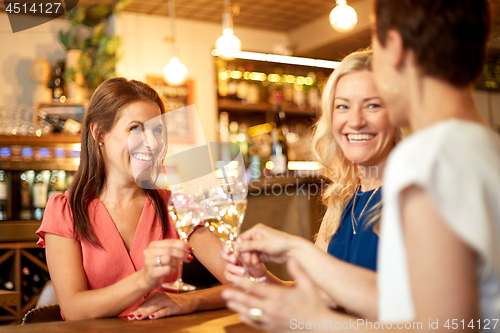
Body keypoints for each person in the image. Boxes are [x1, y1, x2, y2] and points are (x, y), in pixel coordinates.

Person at [222, 0, 500, 331]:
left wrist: (311, 322)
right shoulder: (481, 146)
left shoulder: (428, 159)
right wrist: (298, 251)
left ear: (393, 48)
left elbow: (444, 326)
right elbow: (408, 302)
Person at [223, 50, 399, 320]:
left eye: (372, 105)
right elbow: (316, 295)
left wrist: (296, 249)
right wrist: (260, 277)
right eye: (343, 106)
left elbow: (421, 315)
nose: (355, 120)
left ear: (400, 113)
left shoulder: (414, 197)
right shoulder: (344, 199)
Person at [36, 78, 228, 320]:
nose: (152, 143)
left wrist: (189, 301)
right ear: (99, 133)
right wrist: (145, 279)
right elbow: (75, 309)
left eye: (157, 130)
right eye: (135, 128)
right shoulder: (66, 211)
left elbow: (250, 283)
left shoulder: (177, 206)